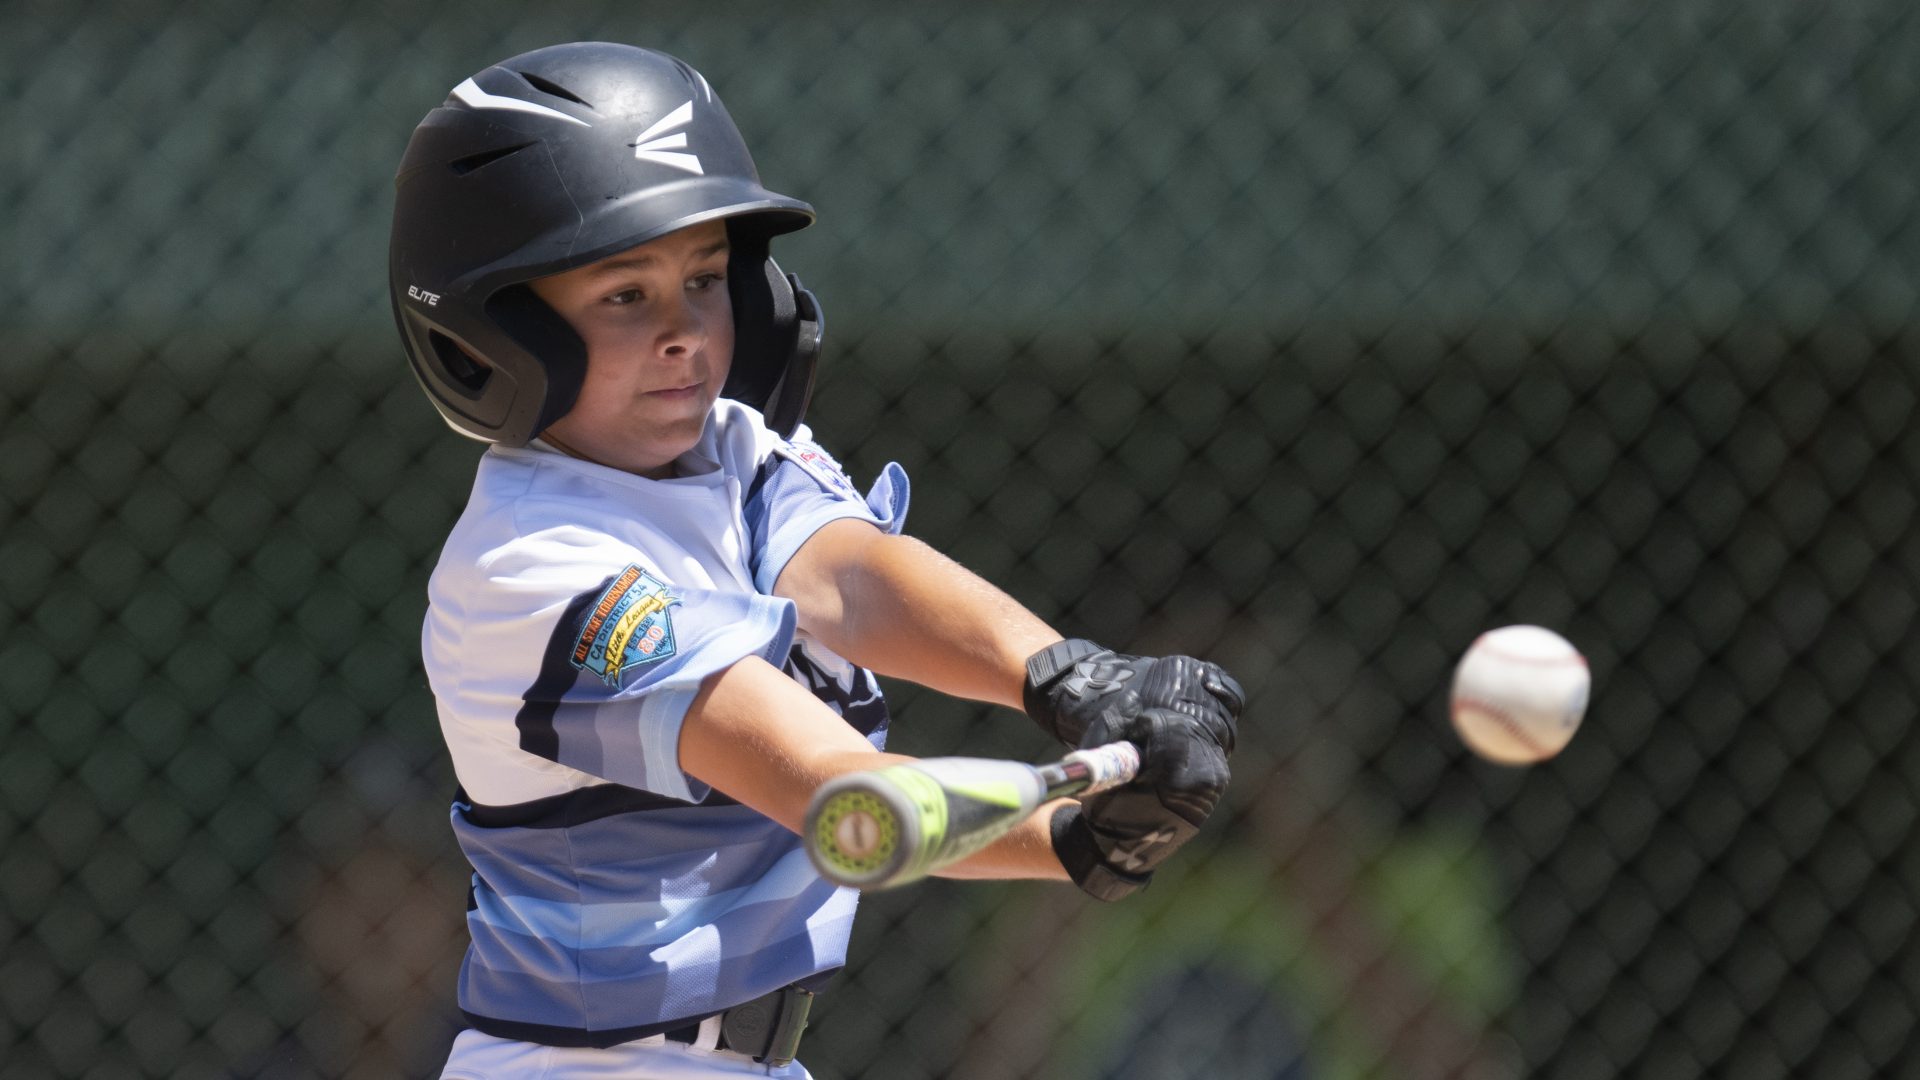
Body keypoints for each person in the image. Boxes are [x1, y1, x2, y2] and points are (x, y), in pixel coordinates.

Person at [389, 41, 1243, 1079]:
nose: (684, 335)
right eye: (624, 294)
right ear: (498, 329)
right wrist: (1075, 839)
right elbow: (840, 795)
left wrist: (1072, 677)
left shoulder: (735, 450)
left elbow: (855, 579)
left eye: (703, 279)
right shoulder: (530, 566)